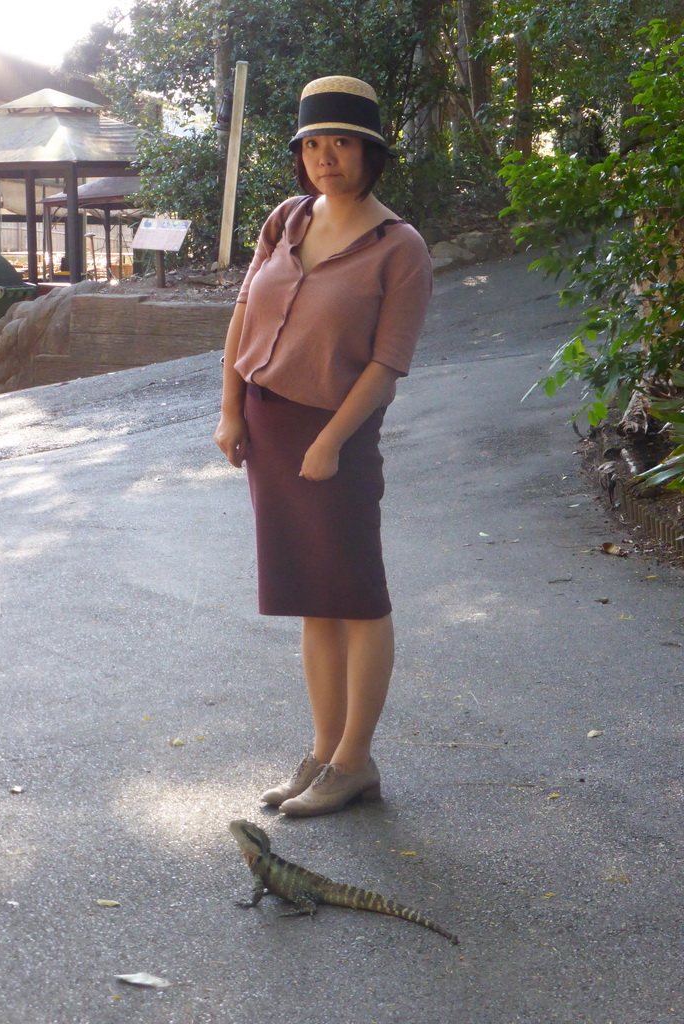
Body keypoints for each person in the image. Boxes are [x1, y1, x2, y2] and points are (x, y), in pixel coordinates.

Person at [214, 75, 432, 816]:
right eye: (313, 144)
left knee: (357, 597)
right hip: (270, 429)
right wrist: (232, 410)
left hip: (334, 436)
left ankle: (356, 760)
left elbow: (388, 363)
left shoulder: (398, 247)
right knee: (313, 598)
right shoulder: (286, 220)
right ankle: (322, 751)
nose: (324, 158)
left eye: (341, 143)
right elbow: (244, 315)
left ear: (370, 153)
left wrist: (334, 440)